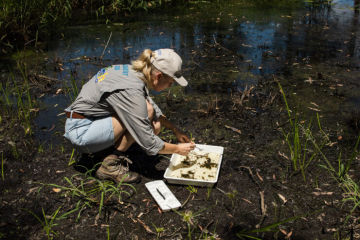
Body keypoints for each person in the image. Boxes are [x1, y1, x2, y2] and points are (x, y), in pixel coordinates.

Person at [64, 48, 195, 183]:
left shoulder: (132, 72)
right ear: (159, 76)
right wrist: (178, 149)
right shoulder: (131, 89)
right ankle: (110, 165)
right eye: (170, 82)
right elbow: (149, 143)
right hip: (82, 132)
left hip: (89, 121)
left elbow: (151, 105)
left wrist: (175, 130)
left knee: (149, 114)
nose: (169, 86)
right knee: (147, 116)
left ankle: (104, 151)